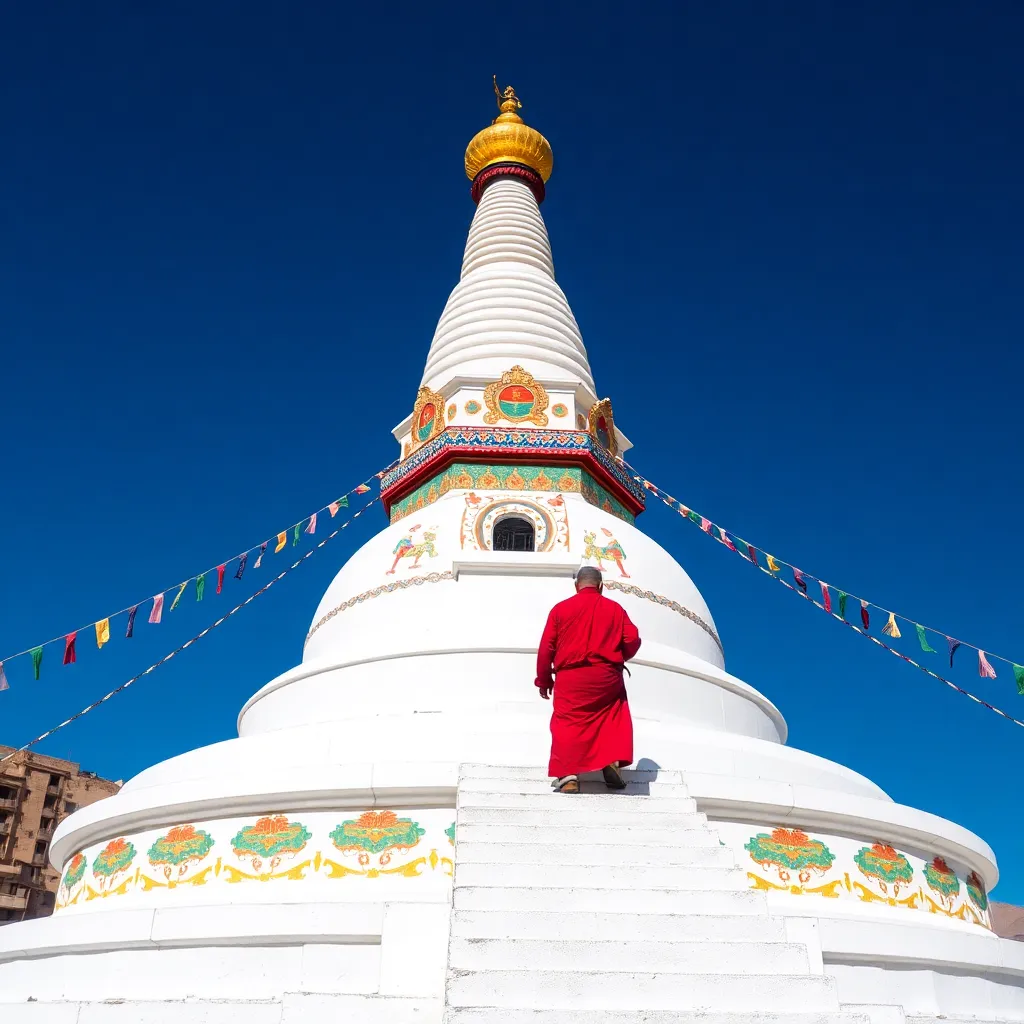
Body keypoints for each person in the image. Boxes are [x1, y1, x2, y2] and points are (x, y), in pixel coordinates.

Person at [535, 566, 642, 793]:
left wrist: (544, 680)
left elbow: (546, 648)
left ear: (577, 586)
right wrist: (619, 656)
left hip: (571, 675)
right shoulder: (615, 609)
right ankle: (611, 762)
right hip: (607, 675)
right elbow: (632, 639)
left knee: (567, 720)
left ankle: (569, 776)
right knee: (612, 714)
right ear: (601, 586)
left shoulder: (560, 610)